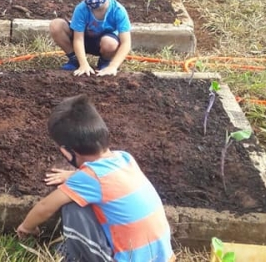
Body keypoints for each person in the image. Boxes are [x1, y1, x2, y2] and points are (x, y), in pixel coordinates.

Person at [16, 95, 174, 262]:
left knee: (73, 208)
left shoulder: (89, 179)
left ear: (66, 151)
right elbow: (109, 180)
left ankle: (75, 256)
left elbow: (45, 207)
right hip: (164, 257)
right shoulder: (125, 158)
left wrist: (26, 227)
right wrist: (74, 175)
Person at [49, 0, 131, 76]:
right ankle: (75, 60)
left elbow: (126, 43)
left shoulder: (118, 10)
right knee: (56, 25)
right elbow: (78, 39)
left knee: (110, 43)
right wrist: (84, 64)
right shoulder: (81, 9)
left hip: (105, 44)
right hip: (84, 41)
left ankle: (105, 63)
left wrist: (113, 66)